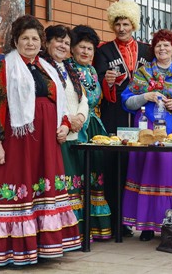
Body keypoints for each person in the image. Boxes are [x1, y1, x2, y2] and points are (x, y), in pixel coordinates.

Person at [0, 14, 81, 267]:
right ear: (15, 40)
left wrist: (65, 125)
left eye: (35, 38)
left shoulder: (48, 68)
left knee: (43, 190)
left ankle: (44, 246)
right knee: (16, 187)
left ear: (41, 42)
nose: (31, 43)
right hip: (17, 142)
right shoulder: (4, 68)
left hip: (46, 142)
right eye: (25, 38)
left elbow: (61, 103)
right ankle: (12, 249)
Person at [94, 0, 153, 237]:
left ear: (133, 25)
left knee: (141, 166)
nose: (121, 28)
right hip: (114, 113)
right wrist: (106, 81)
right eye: (117, 23)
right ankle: (118, 220)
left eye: (125, 23)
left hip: (142, 115)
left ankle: (146, 222)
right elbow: (97, 81)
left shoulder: (147, 50)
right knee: (115, 165)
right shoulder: (103, 50)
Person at [121, 29, 172, 241]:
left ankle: (170, 224)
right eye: (158, 44)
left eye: (167, 44)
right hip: (146, 132)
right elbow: (127, 102)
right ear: (153, 48)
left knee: (167, 177)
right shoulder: (143, 72)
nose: (162, 48)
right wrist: (144, 96)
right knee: (145, 175)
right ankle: (146, 226)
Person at [40, 25, 90, 240]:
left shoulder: (69, 69)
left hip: (74, 136)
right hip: (57, 136)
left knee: (74, 187)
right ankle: (59, 235)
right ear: (47, 42)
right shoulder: (43, 68)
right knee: (61, 188)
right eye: (58, 40)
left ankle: (74, 234)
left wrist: (80, 117)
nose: (62, 46)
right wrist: (68, 122)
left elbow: (83, 99)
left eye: (66, 43)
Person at [68, 24, 112, 241]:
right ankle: (76, 230)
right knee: (76, 175)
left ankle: (95, 228)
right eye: (81, 47)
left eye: (90, 49)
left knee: (95, 175)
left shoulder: (94, 71)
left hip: (94, 127)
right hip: (76, 127)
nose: (85, 52)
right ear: (73, 49)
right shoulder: (67, 68)